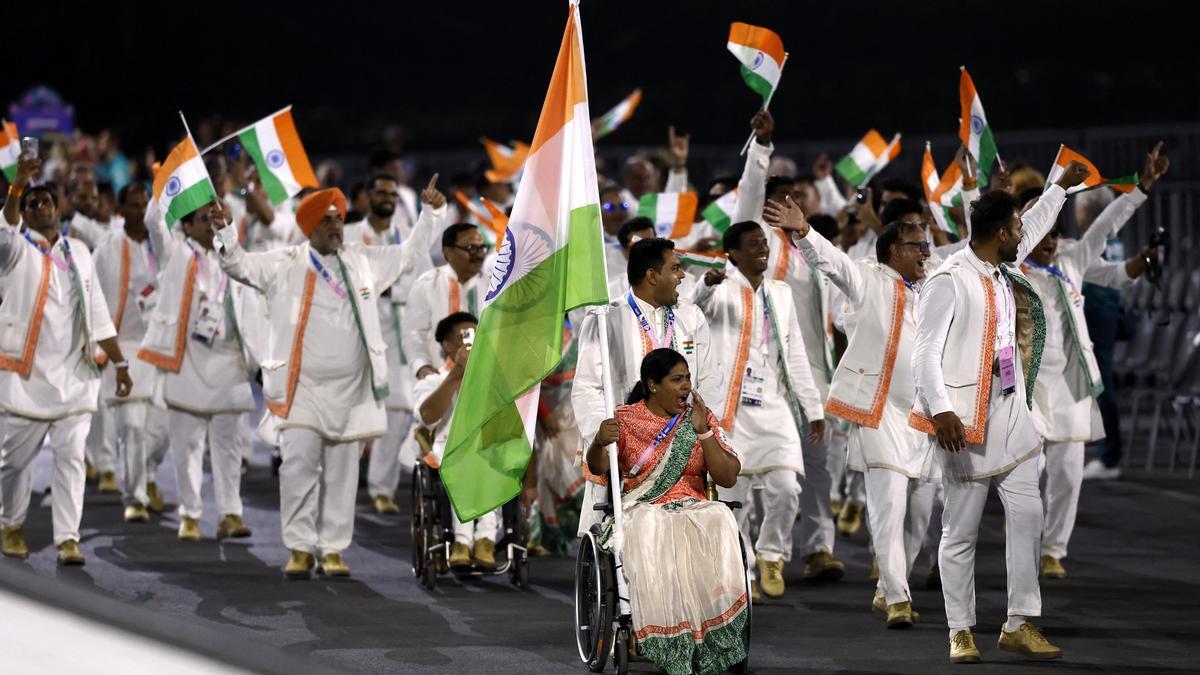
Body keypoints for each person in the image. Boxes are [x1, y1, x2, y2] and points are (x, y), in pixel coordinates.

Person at [910, 160, 1089, 663]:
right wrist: (941, 410)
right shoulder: (948, 279)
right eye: (1015, 229)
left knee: (1029, 516)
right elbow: (923, 353)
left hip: (1012, 415)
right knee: (961, 532)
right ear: (997, 233)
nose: (1022, 236)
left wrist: (1058, 188)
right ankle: (960, 630)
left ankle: (1020, 622)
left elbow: (1035, 225)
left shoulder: (1000, 264)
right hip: (964, 424)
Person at [214, 186, 436, 578]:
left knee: (342, 473)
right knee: (297, 466)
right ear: (310, 227)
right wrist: (226, 234)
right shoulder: (284, 262)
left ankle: (332, 549)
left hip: (352, 392)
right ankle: (300, 548)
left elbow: (407, 255)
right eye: (327, 221)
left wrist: (430, 215)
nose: (336, 227)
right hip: (301, 390)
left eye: (338, 218)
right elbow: (238, 266)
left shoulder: (363, 260)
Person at [767, 194, 962, 627]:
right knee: (888, 511)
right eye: (918, 246)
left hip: (924, 419)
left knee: (918, 517)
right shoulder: (869, 279)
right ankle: (896, 598)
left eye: (927, 246)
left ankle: (889, 587)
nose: (927, 253)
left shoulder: (936, 285)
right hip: (879, 417)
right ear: (894, 250)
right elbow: (833, 262)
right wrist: (803, 231)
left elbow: (972, 253)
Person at [1021, 143, 1167, 578]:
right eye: (1038, 234)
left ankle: (1053, 551)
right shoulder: (1006, 270)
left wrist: (1142, 186)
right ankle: (1023, 549)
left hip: (1069, 389)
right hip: (1023, 391)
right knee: (1027, 479)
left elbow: (1105, 227)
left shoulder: (1070, 258)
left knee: (1067, 475)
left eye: (1052, 234)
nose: (1047, 242)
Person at [0, 160, 132, 566]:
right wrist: (18, 187)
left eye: (46, 201)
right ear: (25, 210)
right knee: (15, 463)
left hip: (75, 376)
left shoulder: (78, 250)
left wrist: (120, 362)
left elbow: (96, 309)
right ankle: (11, 523)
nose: (40, 206)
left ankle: (68, 538)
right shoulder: (15, 249)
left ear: (57, 210)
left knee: (72, 460)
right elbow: (4, 229)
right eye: (32, 202)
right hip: (26, 377)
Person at [587, 348, 747, 675]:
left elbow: (727, 477)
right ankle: (660, 633)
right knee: (650, 526)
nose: (686, 386)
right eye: (677, 379)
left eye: (688, 378)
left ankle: (713, 637)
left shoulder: (699, 416)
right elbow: (598, 469)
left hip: (692, 505)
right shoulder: (624, 419)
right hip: (642, 507)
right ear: (653, 385)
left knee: (719, 517)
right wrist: (599, 442)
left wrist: (703, 431)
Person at [692, 221, 826, 600]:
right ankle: (743, 565)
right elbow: (693, 308)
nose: (762, 250)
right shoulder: (720, 289)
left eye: (764, 243)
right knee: (738, 498)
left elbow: (796, 352)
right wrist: (706, 284)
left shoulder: (781, 294)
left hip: (773, 404)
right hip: (730, 411)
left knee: (786, 487)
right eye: (752, 244)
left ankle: (772, 554)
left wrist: (812, 407)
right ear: (733, 252)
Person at [572, 237, 721, 536]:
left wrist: (707, 432)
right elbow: (587, 387)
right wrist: (602, 432)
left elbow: (709, 379)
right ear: (652, 276)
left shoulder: (690, 316)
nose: (682, 276)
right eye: (675, 268)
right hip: (627, 447)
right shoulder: (606, 318)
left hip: (681, 444)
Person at [138, 196, 258, 542]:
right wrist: (162, 191)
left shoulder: (232, 255)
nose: (210, 223)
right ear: (187, 226)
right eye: (203, 219)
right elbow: (154, 223)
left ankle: (230, 514)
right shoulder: (175, 254)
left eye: (214, 218)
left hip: (229, 363)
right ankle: (190, 515)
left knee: (229, 449)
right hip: (187, 362)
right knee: (186, 448)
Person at [343, 173, 449, 514]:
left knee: (399, 410)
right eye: (380, 191)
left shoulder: (406, 236)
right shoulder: (350, 237)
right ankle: (342, 487)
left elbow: (424, 279)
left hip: (399, 333)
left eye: (392, 193)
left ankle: (381, 489)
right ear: (367, 197)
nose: (387, 197)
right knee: (356, 416)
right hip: (360, 332)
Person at [1081, 143, 1170, 480]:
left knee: (1100, 384)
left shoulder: (1096, 240)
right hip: (1108, 312)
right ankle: (1105, 451)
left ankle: (1109, 456)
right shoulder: (1110, 240)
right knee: (1096, 383)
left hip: (1099, 315)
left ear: (1086, 213)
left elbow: (1113, 276)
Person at [92, 183, 170, 521]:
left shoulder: (165, 247)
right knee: (133, 428)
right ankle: (135, 497)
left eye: (144, 206)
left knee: (163, 431)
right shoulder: (107, 249)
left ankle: (149, 475)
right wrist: (98, 346)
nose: (139, 212)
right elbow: (91, 299)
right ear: (122, 210)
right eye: (133, 206)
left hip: (162, 350)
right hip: (123, 349)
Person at [412, 312, 500, 569]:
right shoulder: (433, 381)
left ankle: (482, 540)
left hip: (485, 451)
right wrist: (455, 376)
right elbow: (427, 417)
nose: (472, 343)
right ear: (447, 346)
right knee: (463, 460)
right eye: (465, 336)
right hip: (446, 450)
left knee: (487, 460)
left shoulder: (492, 379)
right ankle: (466, 541)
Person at [406, 223, 490, 382]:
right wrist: (422, 366)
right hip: (440, 379)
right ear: (448, 251)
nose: (479, 254)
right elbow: (414, 333)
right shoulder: (427, 284)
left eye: (482, 248)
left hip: (484, 381)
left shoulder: (493, 286)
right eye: (472, 248)